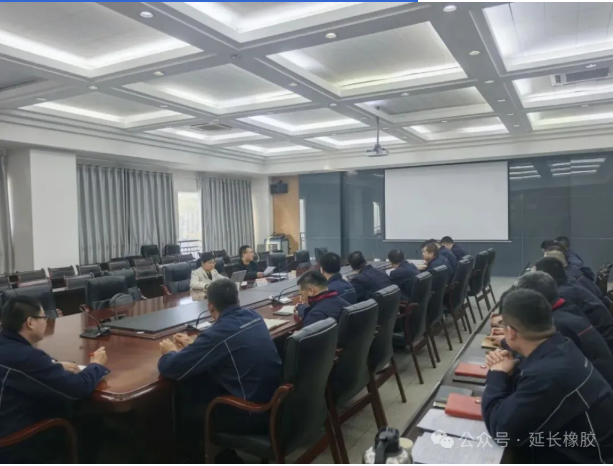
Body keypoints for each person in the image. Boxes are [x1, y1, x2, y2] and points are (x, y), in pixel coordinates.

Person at [482, 289, 613, 463]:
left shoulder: (548, 375)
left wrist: (497, 375)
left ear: (511, 332)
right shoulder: (561, 345)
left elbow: (502, 431)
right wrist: (508, 364)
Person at [158, 279, 281, 454]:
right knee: (201, 384)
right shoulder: (254, 316)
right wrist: (195, 347)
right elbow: (226, 347)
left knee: (184, 404)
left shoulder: (218, 333)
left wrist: (169, 351)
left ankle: (217, 458)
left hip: (250, 414)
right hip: (275, 404)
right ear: (238, 300)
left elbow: (171, 367)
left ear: (210, 307)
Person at [0, 297, 109, 463]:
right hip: (13, 443)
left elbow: (21, 371)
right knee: (90, 417)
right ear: (30, 322)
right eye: (44, 317)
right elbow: (77, 388)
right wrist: (96, 365)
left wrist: (52, 366)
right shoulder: (25, 357)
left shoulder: (8, 347)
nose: (46, 321)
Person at [501, 272, 613, 388]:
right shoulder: (566, 308)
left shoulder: (560, 326)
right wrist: (515, 335)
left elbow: (537, 358)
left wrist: (499, 371)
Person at [534, 256, 613, 352]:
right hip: (603, 340)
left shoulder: (564, 295)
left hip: (604, 346)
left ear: (545, 277)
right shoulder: (569, 283)